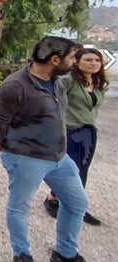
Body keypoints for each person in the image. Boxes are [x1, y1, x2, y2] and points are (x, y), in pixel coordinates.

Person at [0, 36, 88, 262]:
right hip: (26, 158)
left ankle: (64, 253)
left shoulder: (57, 82)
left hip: (59, 158)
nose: (74, 61)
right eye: (72, 57)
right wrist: (4, 144)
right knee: (19, 207)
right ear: (55, 59)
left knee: (77, 202)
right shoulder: (15, 86)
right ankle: (22, 254)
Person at [43, 47, 109, 225]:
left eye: (97, 60)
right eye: (88, 60)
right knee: (69, 169)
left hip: (89, 131)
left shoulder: (98, 83)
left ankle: (76, 205)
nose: (93, 63)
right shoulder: (67, 81)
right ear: (77, 62)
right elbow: (50, 98)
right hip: (70, 131)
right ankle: (54, 199)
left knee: (83, 169)